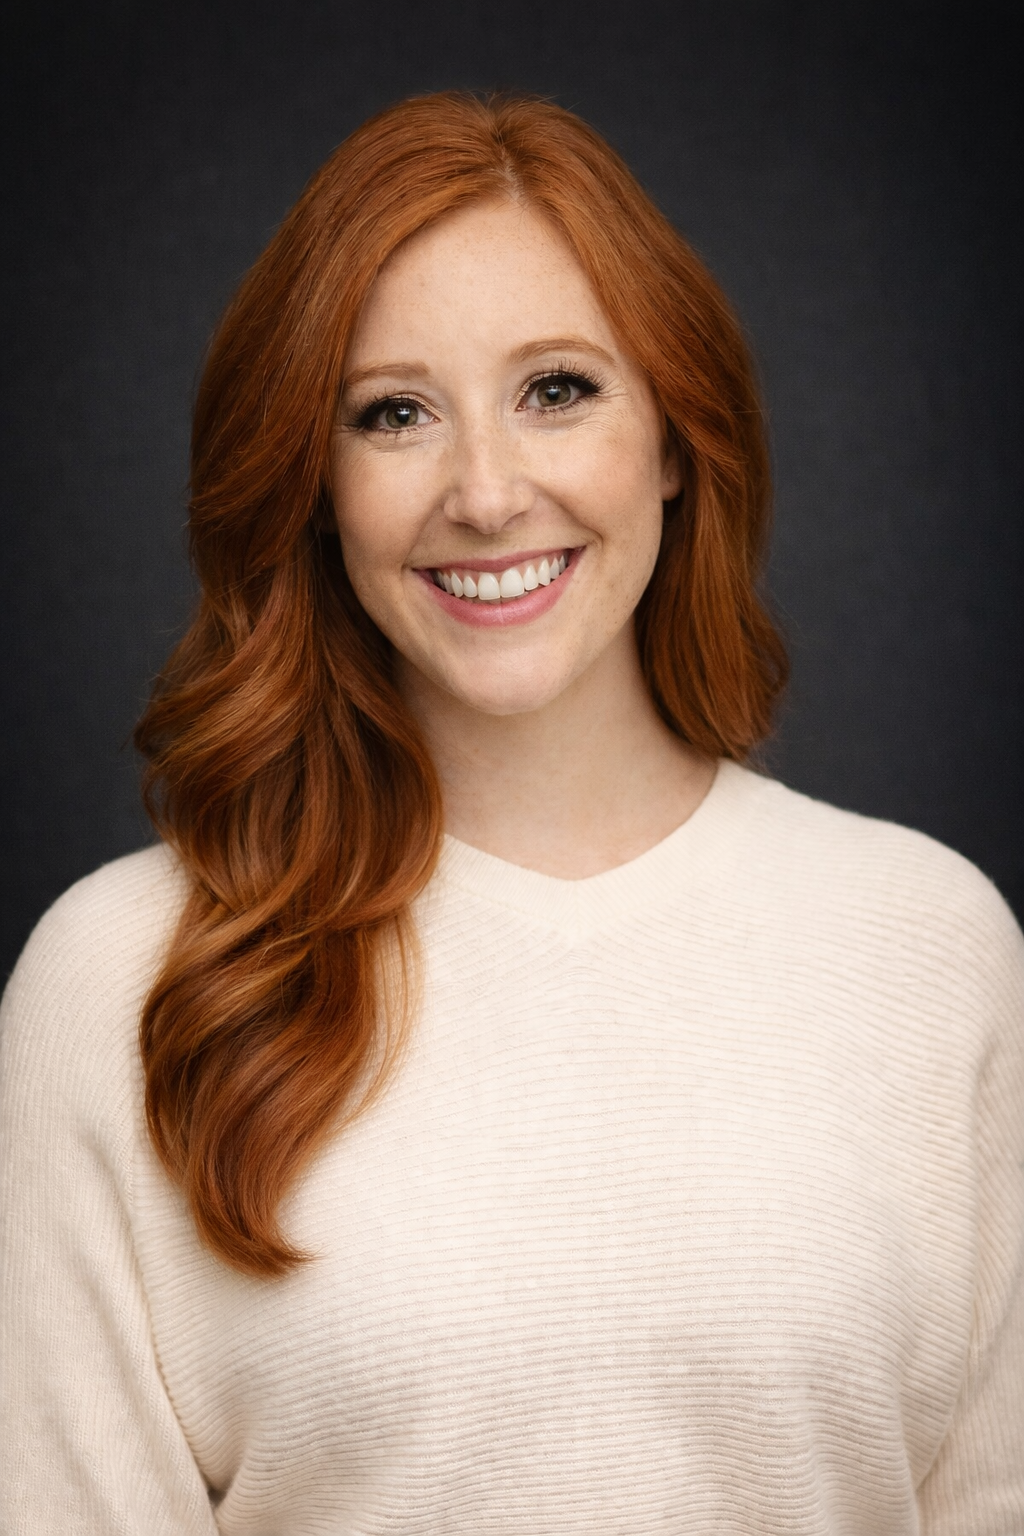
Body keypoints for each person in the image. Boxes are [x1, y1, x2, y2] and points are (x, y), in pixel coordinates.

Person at [1, 91, 1021, 1536]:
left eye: (557, 388)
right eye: (394, 413)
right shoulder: (119, 981)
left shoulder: (934, 946)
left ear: (676, 436)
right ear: (315, 485)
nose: (485, 493)